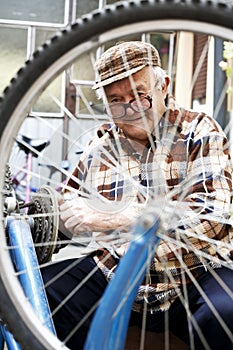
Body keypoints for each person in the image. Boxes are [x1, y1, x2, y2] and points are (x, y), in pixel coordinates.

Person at [42, 41, 233, 349]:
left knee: (225, 313)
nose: (129, 109)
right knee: (37, 295)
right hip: (115, 273)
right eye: (116, 100)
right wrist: (59, 218)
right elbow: (67, 208)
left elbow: (212, 216)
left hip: (195, 275)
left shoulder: (200, 130)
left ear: (163, 86)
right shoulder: (99, 147)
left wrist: (119, 218)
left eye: (139, 96)